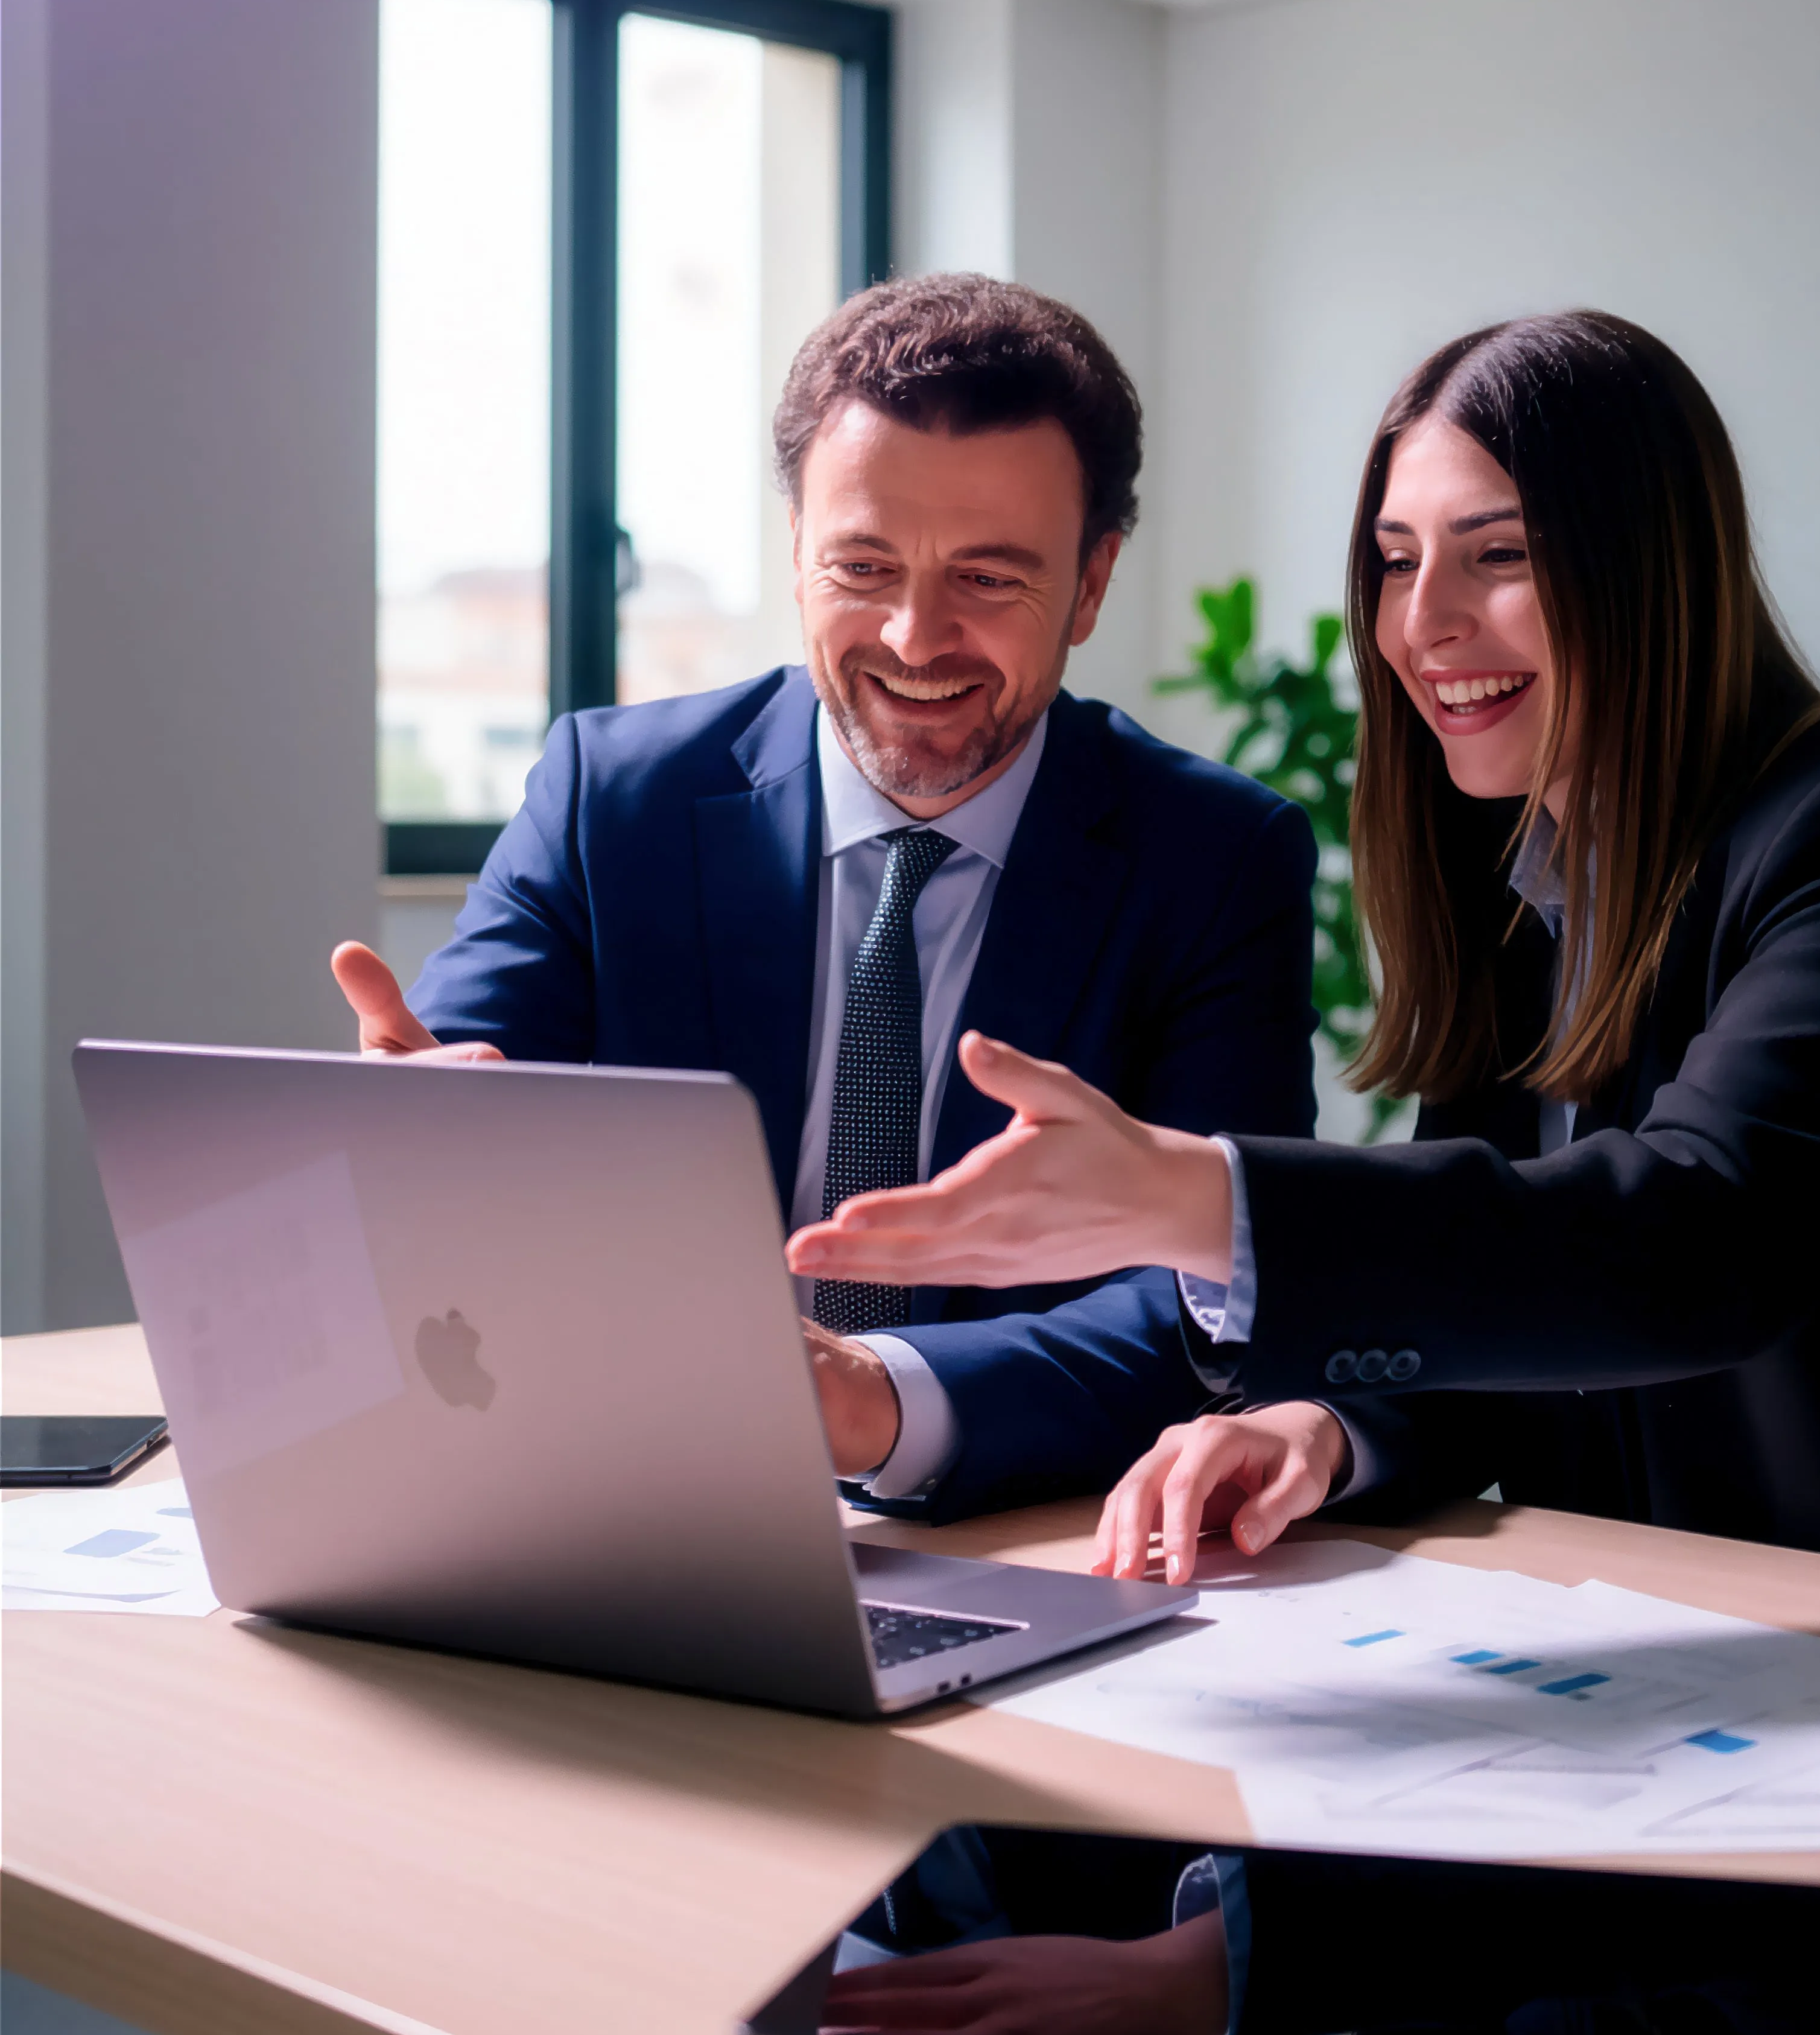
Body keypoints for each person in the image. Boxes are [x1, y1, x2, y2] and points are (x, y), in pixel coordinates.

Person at [788, 310, 1820, 1596]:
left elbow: (1703, 1241)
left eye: (1498, 555)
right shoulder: (1523, 873)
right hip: (1660, 1644)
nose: (1423, 624)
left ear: (1648, 566)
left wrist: (1197, 1199)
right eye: (1397, 563)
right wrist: (1324, 1432)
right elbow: (1517, 1310)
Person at [336, 271, 1415, 1514]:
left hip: (1011, 1532)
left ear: (1092, 583)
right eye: (863, 565)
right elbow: (453, 1104)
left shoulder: (1213, 859)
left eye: (989, 579)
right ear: (797, 553)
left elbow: (1210, 1306)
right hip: (625, 1488)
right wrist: (405, 1138)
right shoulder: (612, 800)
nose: (914, 637)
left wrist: (878, 1398)